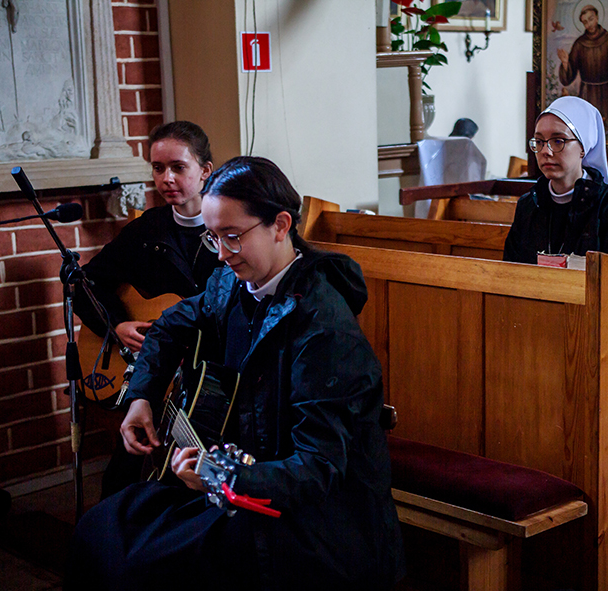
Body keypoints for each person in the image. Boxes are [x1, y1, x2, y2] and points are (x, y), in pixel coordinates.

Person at [65, 157, 405, 591]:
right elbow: (168, 327)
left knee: (139, 565)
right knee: (104, 525)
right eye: (212, 239)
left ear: (280, 225)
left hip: (313, 522)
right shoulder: (230, 284)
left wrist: (221, 475)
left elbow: (319, 468)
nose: (222, 254)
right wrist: (142, 396)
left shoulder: (324, 328)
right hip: (242, 487)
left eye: (232, 237)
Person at [73, 121, 222, 496]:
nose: (167, 178)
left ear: (205, 171)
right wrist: (117, 325)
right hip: (153, 374)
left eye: (178, 167)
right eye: (158, 169)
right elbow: (85, 284)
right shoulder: (147, 230)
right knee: (124, 468)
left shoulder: (229, 231)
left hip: (211, 376)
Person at [503, 96, 608, 264]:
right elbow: (510, 270)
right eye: (539, 141)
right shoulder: (528, 205)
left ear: (583, 148)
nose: (546, 151)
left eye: (558, 141)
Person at [558, 5, 608, 122]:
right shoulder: (579, 44)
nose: (589, 24)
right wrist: (565, 64)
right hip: (586, 94)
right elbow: (568, 77)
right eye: (585, 22)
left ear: (597, 18)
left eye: (591, 19)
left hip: (607, 94)